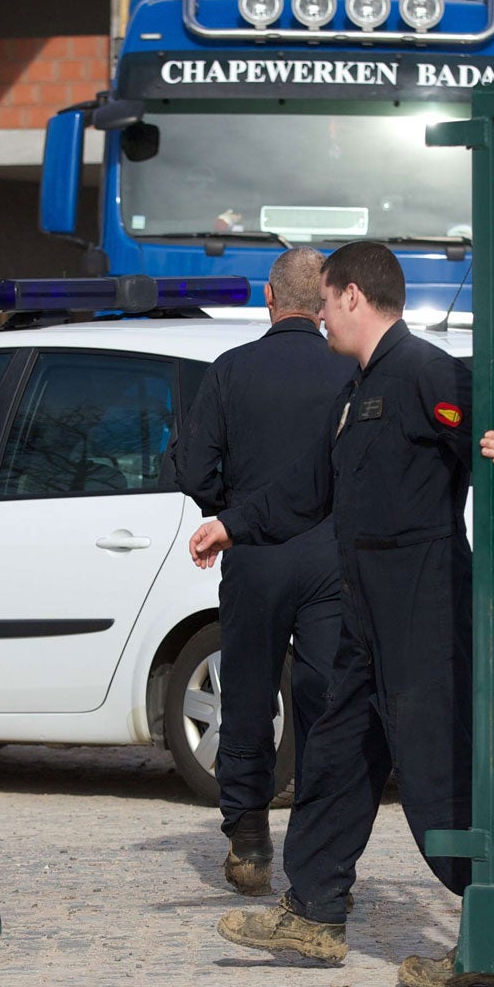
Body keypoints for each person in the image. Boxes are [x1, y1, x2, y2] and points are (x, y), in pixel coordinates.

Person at [187, 240, 494, 987]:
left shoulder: (418, 369)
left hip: (422, 604)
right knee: (337, 757)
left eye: (327, 300)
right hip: (364, 608)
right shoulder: (359, 385)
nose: (319, 316)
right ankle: (313, 912)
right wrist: (234, 524)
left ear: (348, 296)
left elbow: (489, 417)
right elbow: (310, 488)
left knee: (436, 772)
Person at [173, 246, 354, 894]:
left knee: (248, 694)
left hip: (254, 558)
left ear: (270, 300)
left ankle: (248, 840)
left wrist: (230, 515)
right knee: (326, 700)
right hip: (331, 556)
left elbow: (194, 468)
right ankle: (325, 850)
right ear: (327, 300)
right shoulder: (350, 373)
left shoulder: (230, 371)